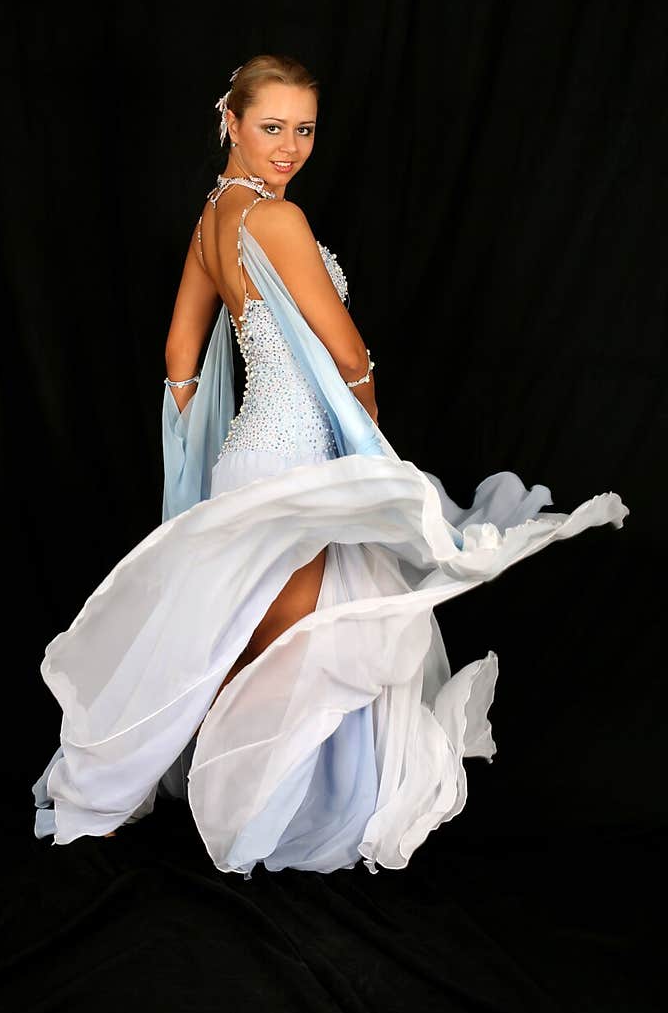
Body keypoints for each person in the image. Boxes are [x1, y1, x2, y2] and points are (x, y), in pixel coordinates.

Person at [32, 53, 629, 879]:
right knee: (286, 646)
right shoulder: (279, 221)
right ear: (230, 123)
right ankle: (223, 818)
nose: (289, 147)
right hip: (296, 460)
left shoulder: (214, 219)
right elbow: (346, 348)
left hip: (248, 456)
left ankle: (150, 796)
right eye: (271, 127)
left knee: (238, 640)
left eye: (304, 129)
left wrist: (200, 445)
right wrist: (365, 426)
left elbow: (179, 356)